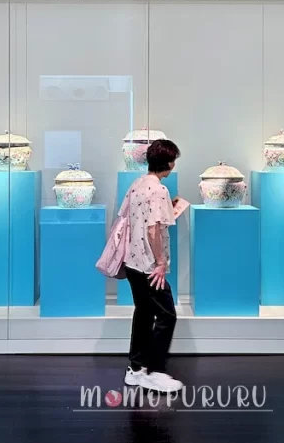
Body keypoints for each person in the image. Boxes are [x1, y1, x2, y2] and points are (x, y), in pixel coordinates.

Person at [120, 138, 183, 393]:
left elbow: (128, 217)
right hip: (148, 265)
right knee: (167, 315)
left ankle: (136, 369)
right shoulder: (158, 190)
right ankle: (154, 371)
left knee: (144, 313)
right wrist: (160, 263)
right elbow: (153, 229)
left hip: (133, 260)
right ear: (167, 162)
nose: (174, 164)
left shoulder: (136, 184)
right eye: (173, 160)